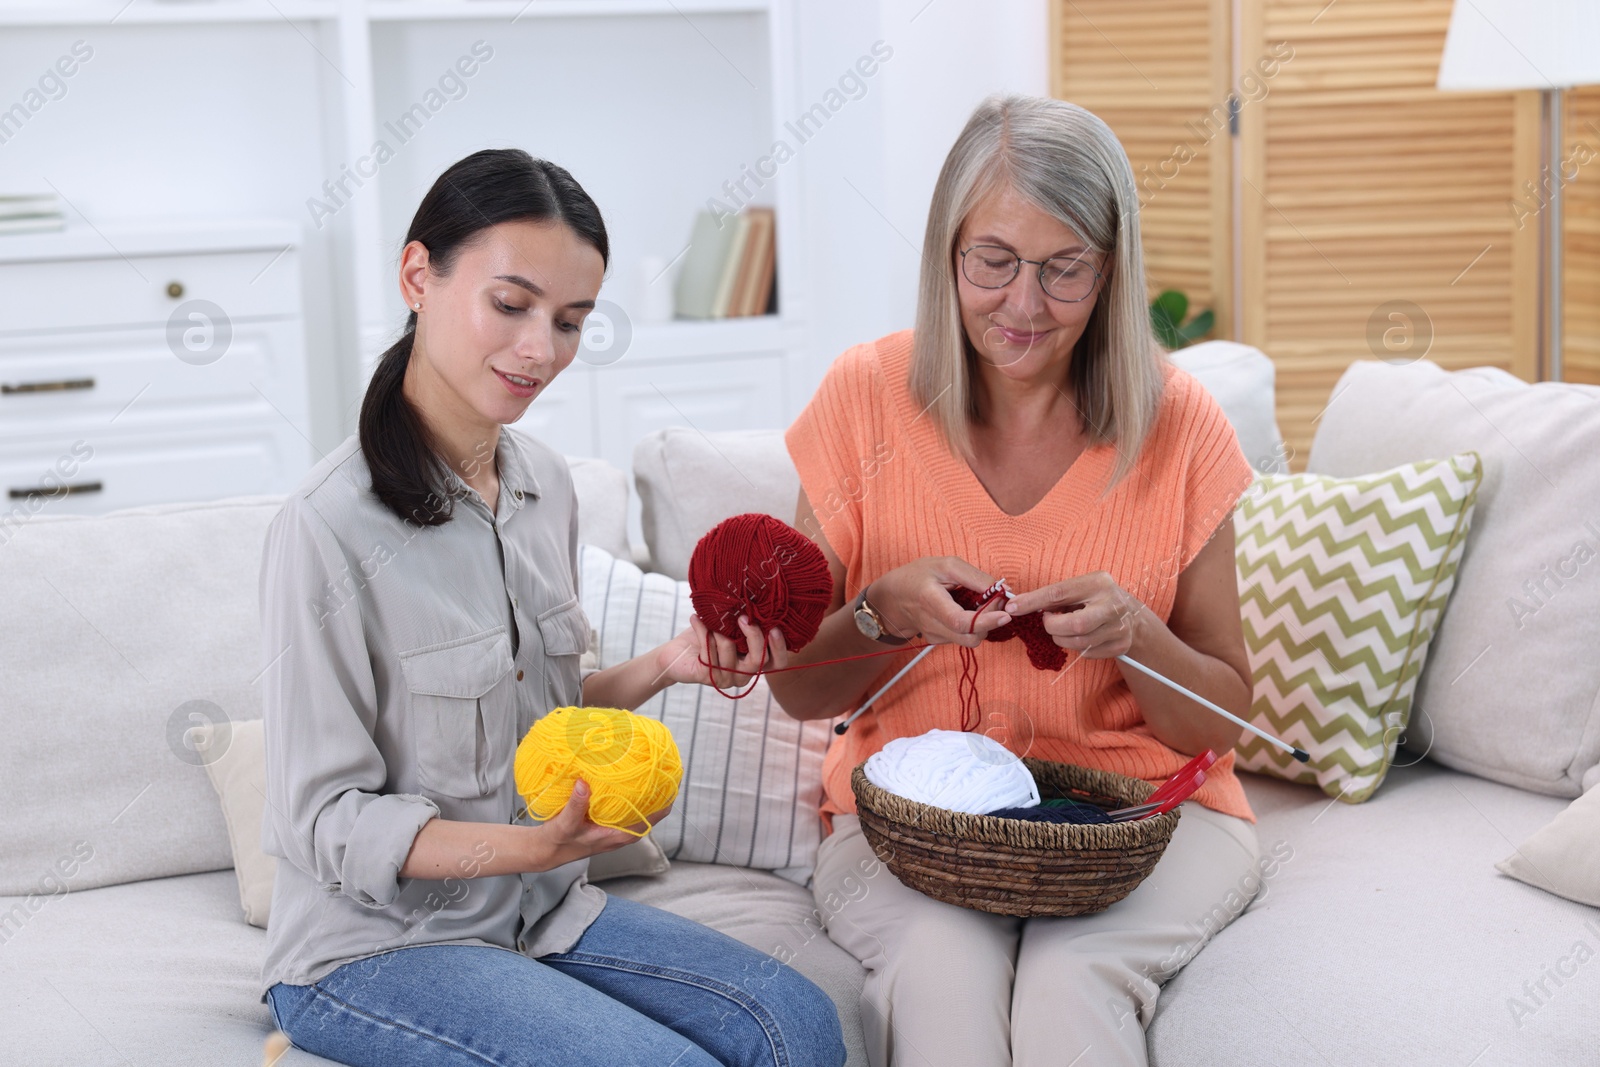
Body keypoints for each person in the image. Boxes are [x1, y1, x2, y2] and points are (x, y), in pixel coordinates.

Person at [258, 148, 845, 1067]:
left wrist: (668, 663)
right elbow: (323, 819)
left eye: (570, 321)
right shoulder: (325, 526)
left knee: (799, 1026)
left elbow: (547, 730)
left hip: (545, 912)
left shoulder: (545, 486)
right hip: (376, 950)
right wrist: (529, 850)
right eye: (510, 304)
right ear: (419, 275)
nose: (542, 349)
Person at [768, 95, 1262, 1067]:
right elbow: (793, 686)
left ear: (1110, 268)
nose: (1024, 305)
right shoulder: (861, 399)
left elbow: (1222, 721)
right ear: (945, 254)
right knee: (942, 983)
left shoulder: (1181, 426)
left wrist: (1139, 638)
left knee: (1070, 989)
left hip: (1140, 815)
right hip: (912, 819)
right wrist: (882, 613)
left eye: (1063, 268)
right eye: (992, 262)